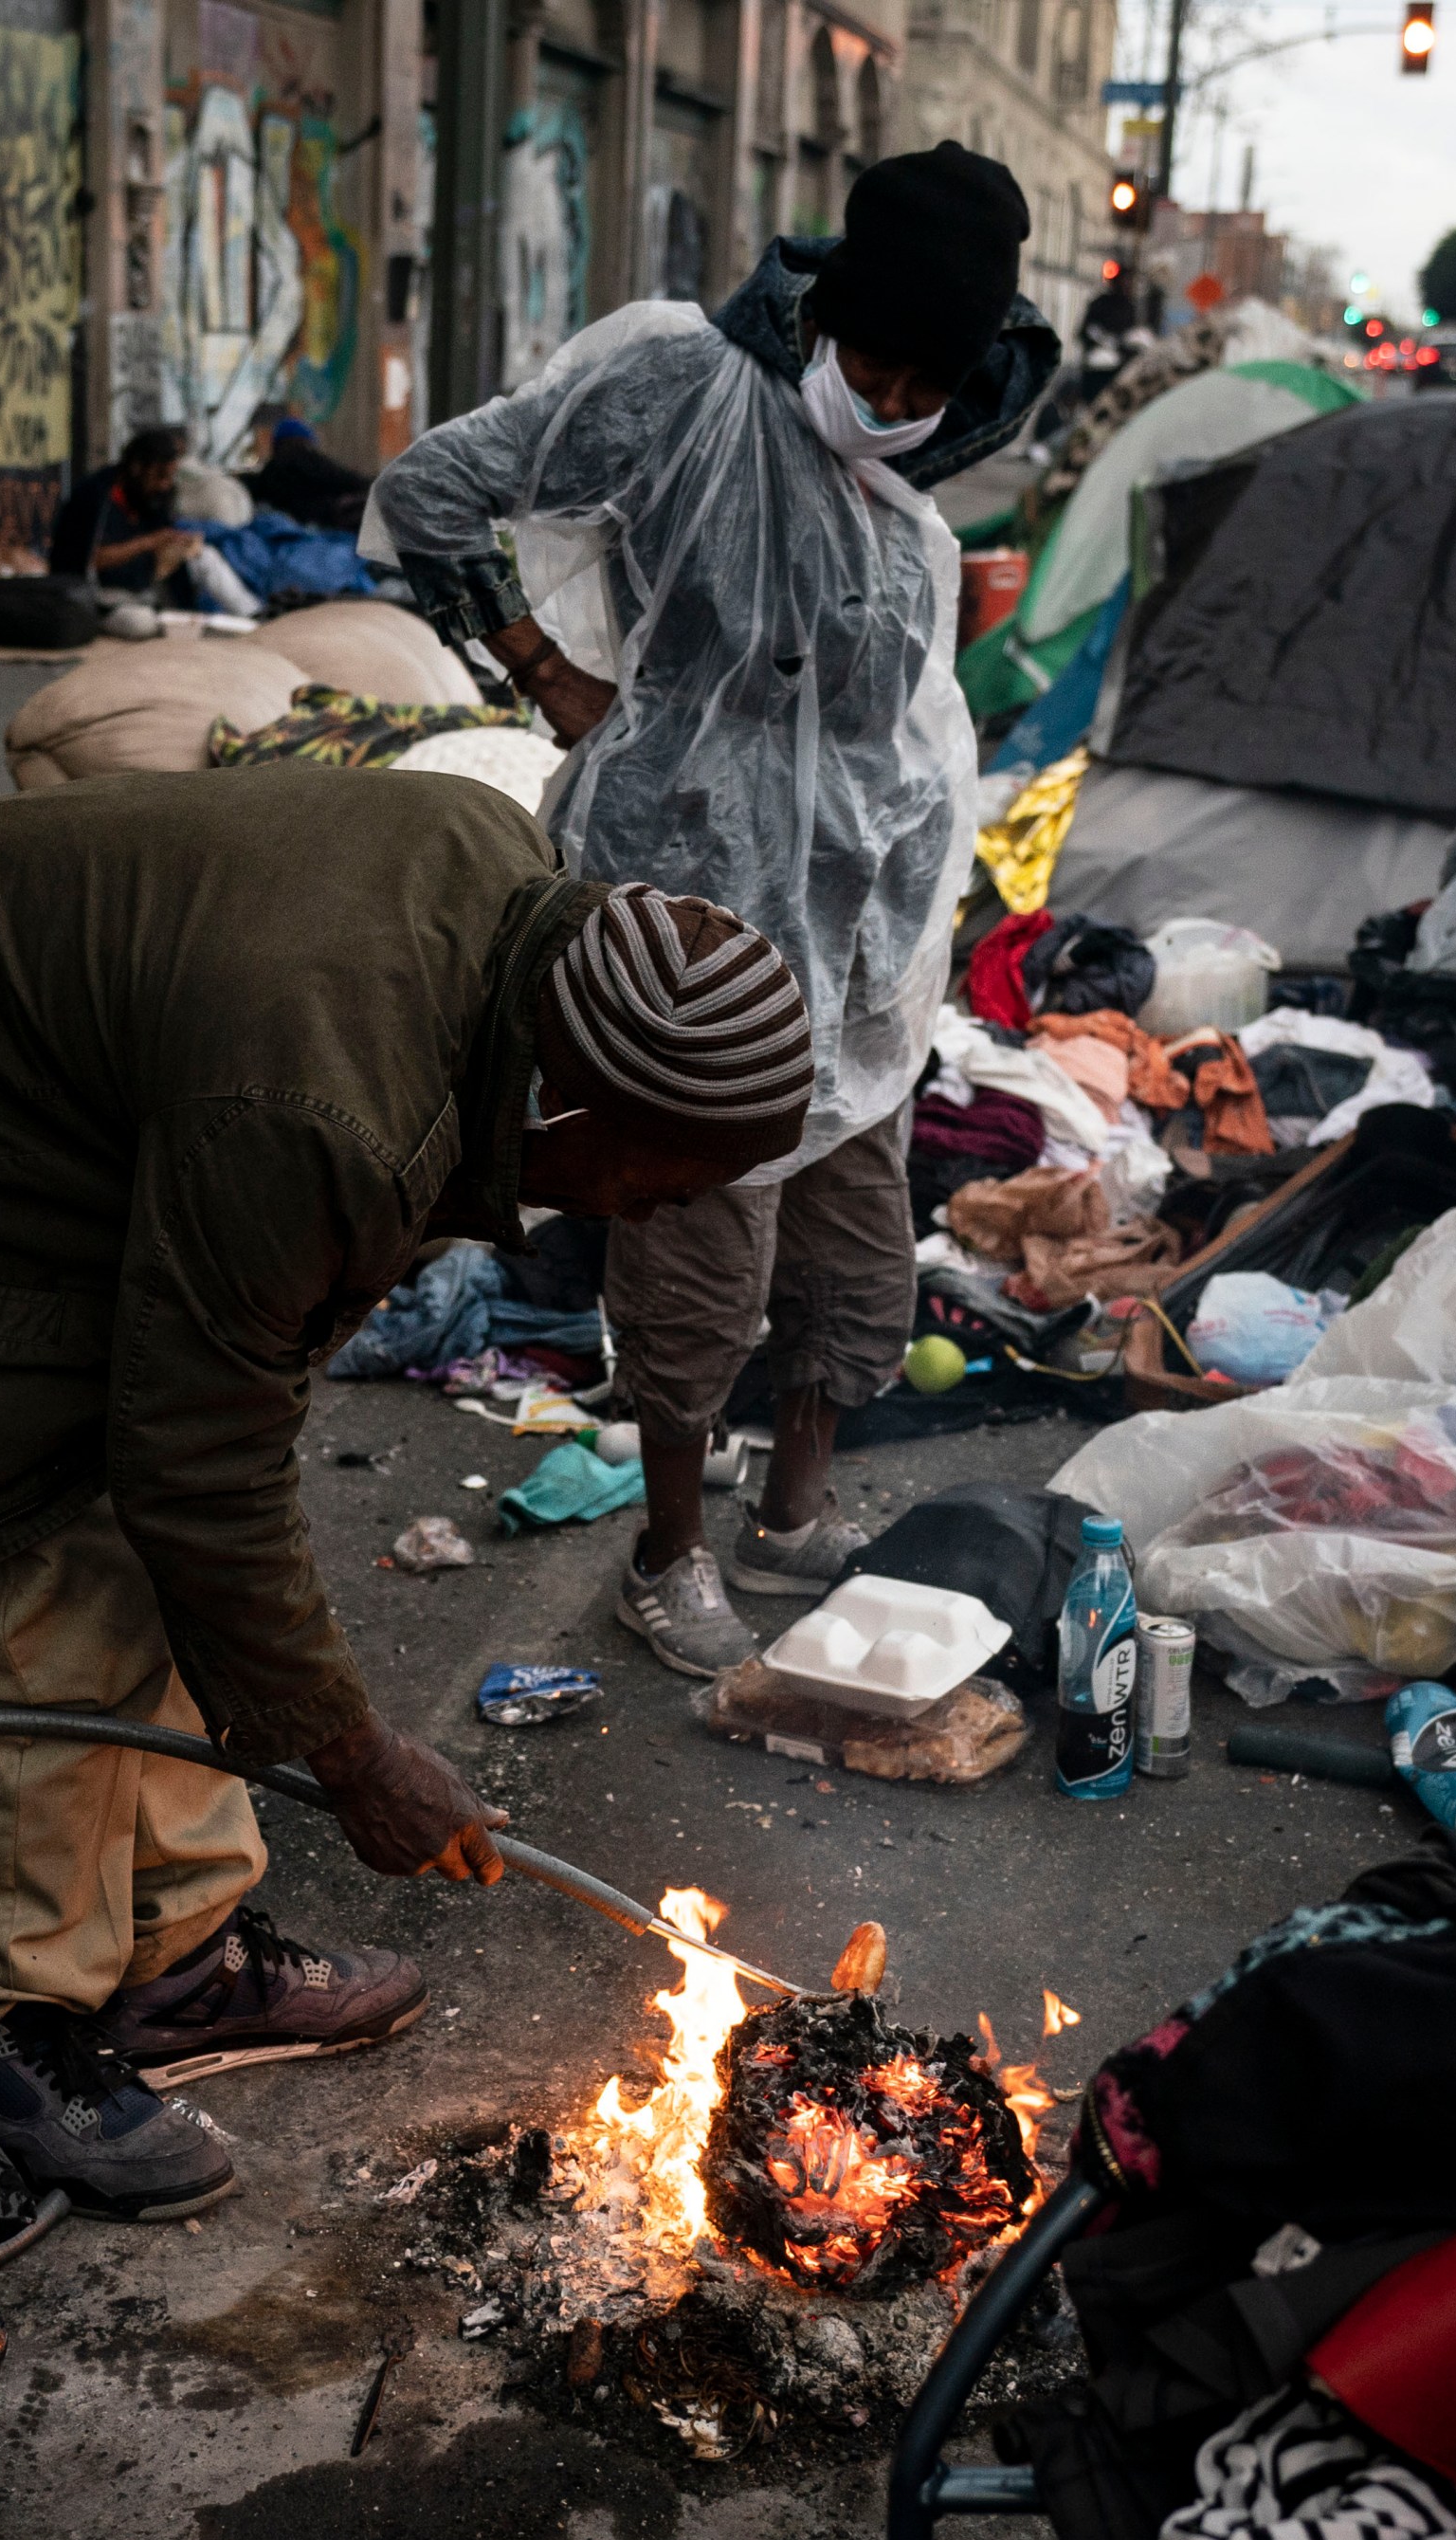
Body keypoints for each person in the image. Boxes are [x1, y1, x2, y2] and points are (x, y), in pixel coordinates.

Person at [0, 768, 812, 2216]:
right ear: (572, 1100)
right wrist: (353, 1754)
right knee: (48, 1523)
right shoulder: (319, 1107)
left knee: (178, 1531)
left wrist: (310, 1709)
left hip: (54, 1086)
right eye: (666, 1176)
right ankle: (3, 2024)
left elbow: (220, 1449)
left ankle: (176, 1959)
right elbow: (192, 1461)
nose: (665, 1214)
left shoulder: (504, 889)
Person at [367, 141, 1056, 1679]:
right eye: (865, 357)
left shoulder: (913, 503)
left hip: (863, 928)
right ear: (819, 315)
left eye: (919, 378)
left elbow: (894, 720)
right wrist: (540, 670)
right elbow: (432, 494)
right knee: (696, 1244)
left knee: (850, 1247)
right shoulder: (680, 384)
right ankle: (666, 1552)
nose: (881, 394)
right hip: (694, 909)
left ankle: (789, 1515)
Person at [48, 426, 263, 618]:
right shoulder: (96, 497)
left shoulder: (154, 499)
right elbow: (91, 560)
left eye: (169, 478)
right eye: (160, 476)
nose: (165, 485)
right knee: (139, 623)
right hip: (102, 596)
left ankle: (256, 615)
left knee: (206, 557)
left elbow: (160, 551)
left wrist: (175, 546)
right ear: (136, 468)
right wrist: (149, 542)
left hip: (144, 587)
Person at [246, 412, 373, 530]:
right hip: (323, 523)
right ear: (303, 441)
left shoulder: (268, 472)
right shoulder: (305, 460)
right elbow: (346, 480)